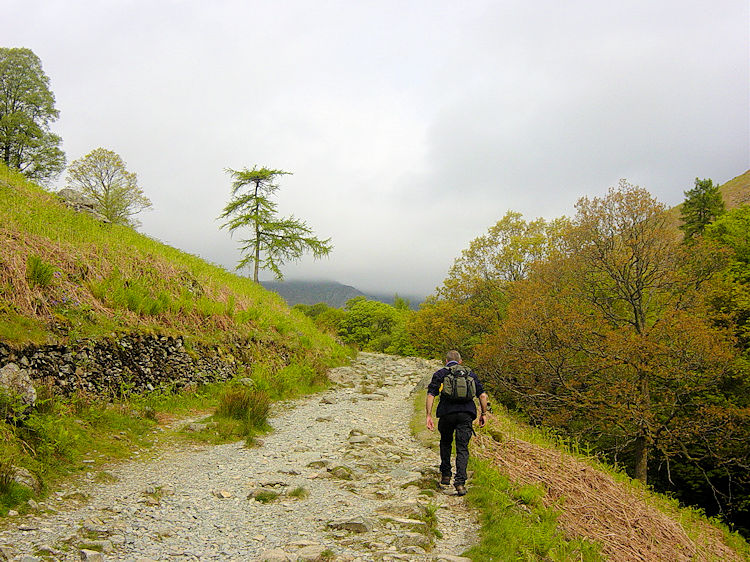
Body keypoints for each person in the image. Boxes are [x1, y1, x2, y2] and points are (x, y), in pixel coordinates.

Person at [425, 350, 489, 496]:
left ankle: (446, 475)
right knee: (462, 448)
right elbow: (483, 395)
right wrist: (483, 414)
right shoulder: (470, 374)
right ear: (460, 361)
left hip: (446, 414)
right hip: (466, 415)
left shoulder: (441, 374)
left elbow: (431, 394)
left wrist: (428, 415)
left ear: (446, 361)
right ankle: (460, 483)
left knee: (446, 442)